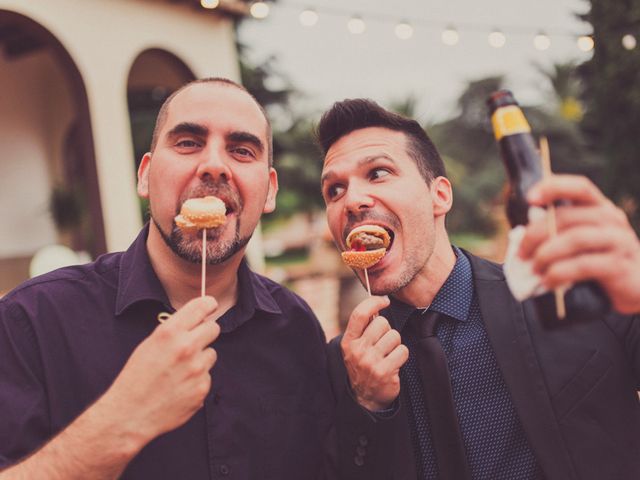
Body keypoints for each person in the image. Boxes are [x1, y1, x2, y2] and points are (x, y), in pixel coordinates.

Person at [0, 78, 334, 479]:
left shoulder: (295, 327)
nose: (214, 165)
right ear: (145, 176)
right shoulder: (31, 321)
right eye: (188, 143)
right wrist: (123, 419)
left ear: (269, 192)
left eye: (242, 150)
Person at [317, 98, 640, 480]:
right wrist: (369, 407)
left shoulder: (568, 294)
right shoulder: (340, 366)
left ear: (440, 196)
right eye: (334, 190)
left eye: (378, 173)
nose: (352, 200)